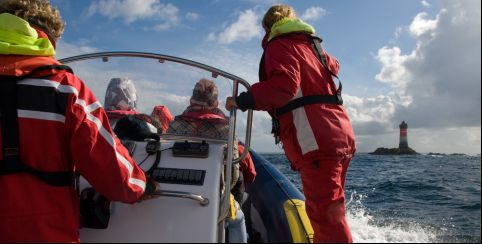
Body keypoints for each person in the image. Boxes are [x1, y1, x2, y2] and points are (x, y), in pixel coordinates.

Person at [0, 1, 158, 242]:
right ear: (45, 39)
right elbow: (107, 164)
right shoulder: (66, 90)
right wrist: (141, 185)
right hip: (46, 232)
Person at [226, 4, 356, 243]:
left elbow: (283, 87)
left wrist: (243, 99)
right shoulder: (313, 47)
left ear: (268, 28)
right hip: (340, 134)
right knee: (332, 211)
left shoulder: (280, 44)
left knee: (325, 216)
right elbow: (333, 66)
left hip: (315, 139)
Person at [168, 78, 256, 243]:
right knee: (239, 220)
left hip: (174, 196)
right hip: (212, 199)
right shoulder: (226, 129)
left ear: (191, 99)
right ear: (215, 102)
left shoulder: (174, 125)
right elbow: (233, 175)